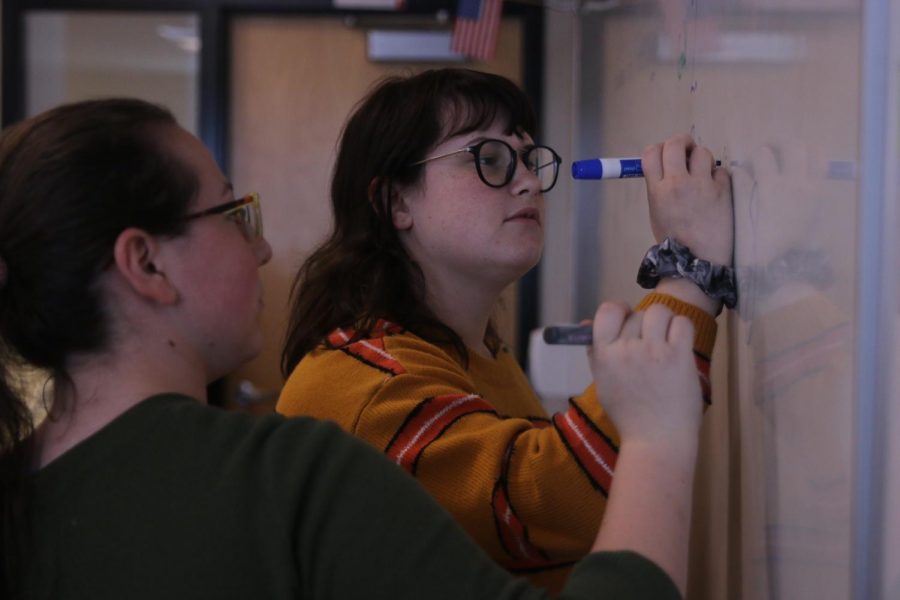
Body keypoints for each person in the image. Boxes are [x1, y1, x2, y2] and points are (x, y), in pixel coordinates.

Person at [0, 97, 705, 599]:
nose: (265, 244)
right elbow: (551, 493)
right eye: (233, 213)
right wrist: (657, 433)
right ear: (146, 265)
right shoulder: (293, 472)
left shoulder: (27, 493)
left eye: (527, 158)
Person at [276, 67, 733, 593]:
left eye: (528, 159)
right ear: (396, 201)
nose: (530, 181)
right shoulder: (365, 384)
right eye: (489, 159)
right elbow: (552, 502)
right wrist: (689, 264)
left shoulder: (481, 355)